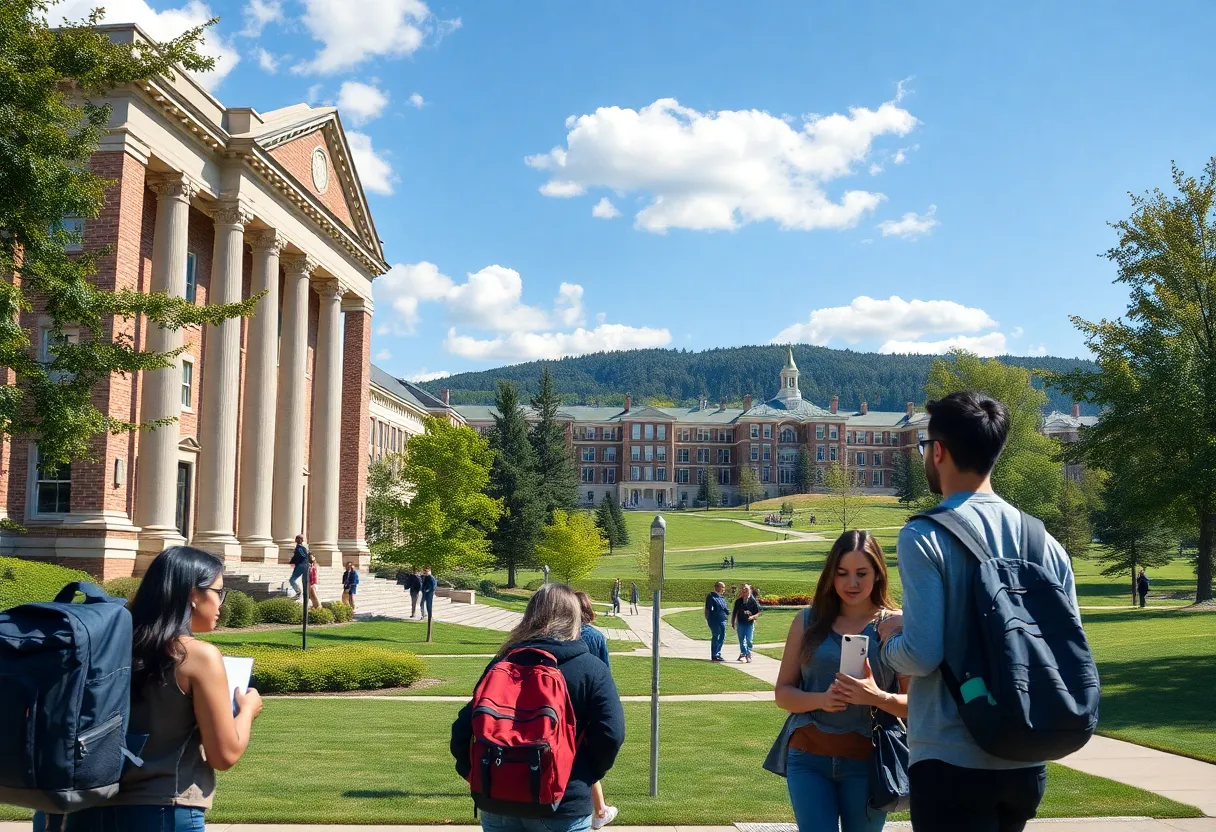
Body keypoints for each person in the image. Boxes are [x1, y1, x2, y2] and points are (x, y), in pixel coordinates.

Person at [878, 391, 1079, 832]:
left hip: (951, 756)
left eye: (925, 447)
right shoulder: (1044, 541)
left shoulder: (925, 535)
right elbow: (1069, 645)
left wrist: (890, 641)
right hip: (1026, 753)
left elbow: (923, 653)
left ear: (940, 451)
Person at [63, 546, 263, 831]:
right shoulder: (197, 656)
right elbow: (225, 755)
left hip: (81, 809)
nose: (221, 603)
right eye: (219, 592)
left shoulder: (105, 646)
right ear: (193, 594)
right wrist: (247, 710)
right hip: (163, 808)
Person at [450, 584, 625, 832]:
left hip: (498, 798)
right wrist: (586, 774)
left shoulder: (502, 662)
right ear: (573, 617)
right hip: (563, 801)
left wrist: (474, 773)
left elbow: (462, 728)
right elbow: (611, 733)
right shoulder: (590, 668)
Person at [768, 530, 907, 832]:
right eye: (842, 573)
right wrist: (822, 699)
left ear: (878, 574)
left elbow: (919, 705)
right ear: (831, 574)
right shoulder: (807, 621)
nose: (852, 583)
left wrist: (876, 697)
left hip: (868, 762)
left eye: (861, 573)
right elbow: (783, 693)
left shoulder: (895, 625)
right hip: (807, 758)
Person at [574, 591, 618, 830]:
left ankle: (600, 809)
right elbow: (605, 674)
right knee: (586, 757)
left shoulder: (561, 635)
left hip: (566, 703)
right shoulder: (595, 637)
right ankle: (599, 810)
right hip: (589, 704)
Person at [731, 583, 762, 663]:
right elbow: (735, 612)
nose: (744, 591)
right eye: (743, 590)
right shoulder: (738, 601)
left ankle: (748, 653)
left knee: (749, 640)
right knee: (742, 640)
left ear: (750, 591)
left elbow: (759, 612)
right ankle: (744, 654)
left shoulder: (753, 601)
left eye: (746, 590)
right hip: (740, 623)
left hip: (749, 623)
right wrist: (733, 622)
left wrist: (753, 617)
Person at [704, 581, 729, 662]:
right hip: (714, 620)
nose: (724, 589)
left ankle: (718, 653)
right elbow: (708, 609)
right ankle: (714, 655)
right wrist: (708, 618)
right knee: (716, 635)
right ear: (717, 587)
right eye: (723, 587)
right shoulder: (711, 596)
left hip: (723, 620)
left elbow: (724, 608)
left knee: (722, 636)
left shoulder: (722, 598)